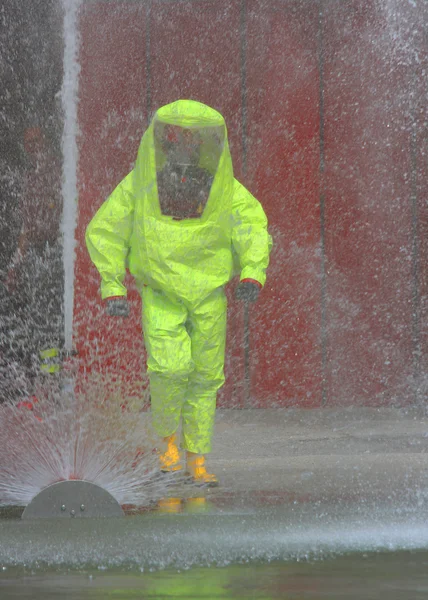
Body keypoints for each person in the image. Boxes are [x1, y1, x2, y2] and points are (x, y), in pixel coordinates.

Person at [86, 99, 272, 486]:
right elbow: (107, 228)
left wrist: (253, 272)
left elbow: (251, 225)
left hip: (208, 293)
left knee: (205, 377)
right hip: (160, 292)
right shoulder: (141, 183)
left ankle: (197, 458)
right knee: (170, 370)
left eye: (194, 140)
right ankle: (168, 446)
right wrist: (112, 284)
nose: (186, 148)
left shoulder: (223, 188)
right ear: (162, 142)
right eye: (177, 139)